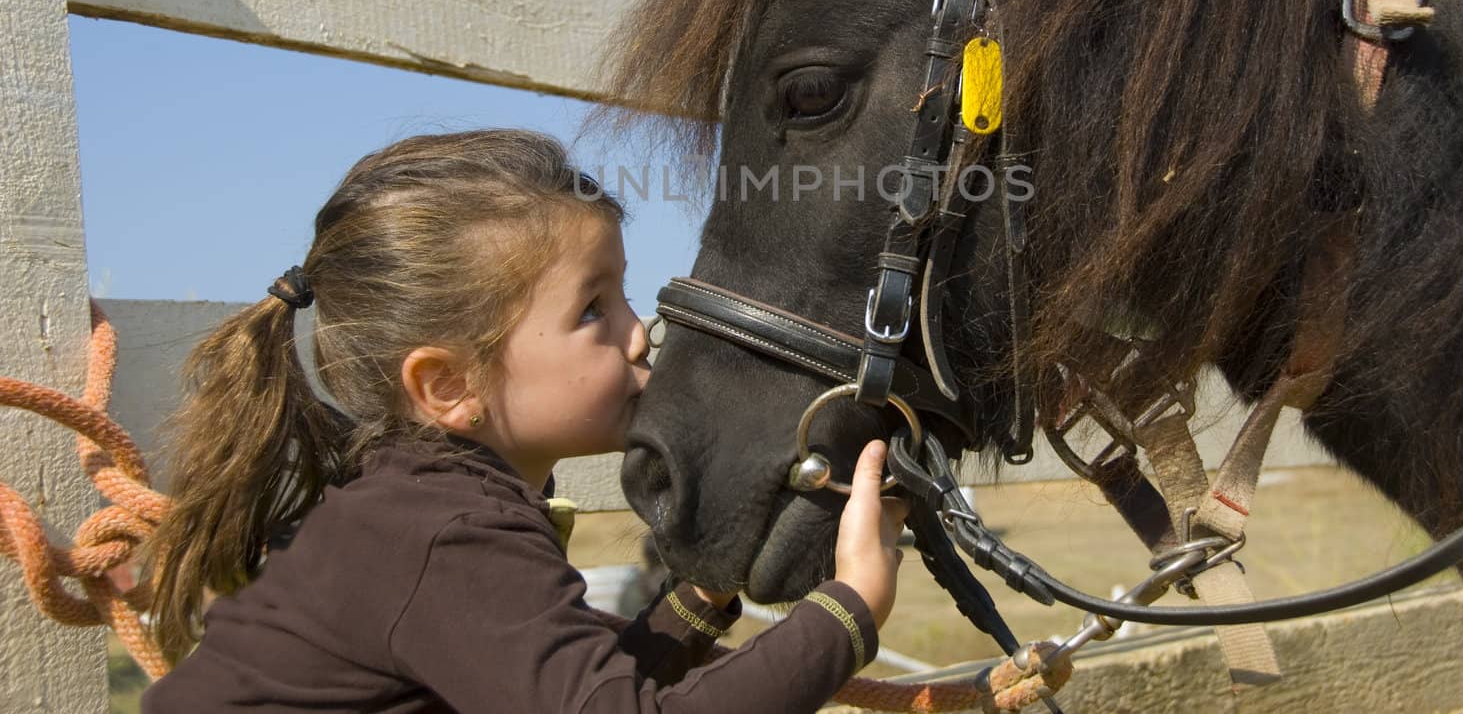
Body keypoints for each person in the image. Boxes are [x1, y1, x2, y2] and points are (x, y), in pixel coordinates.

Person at [140, 129, 907, 713]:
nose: (639, 333)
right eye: (592, 308)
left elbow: (577, 688)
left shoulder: (422, 506)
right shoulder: (446, 533)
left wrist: (699, 596)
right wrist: (849, 609)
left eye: (623, 295)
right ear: (447, 385)